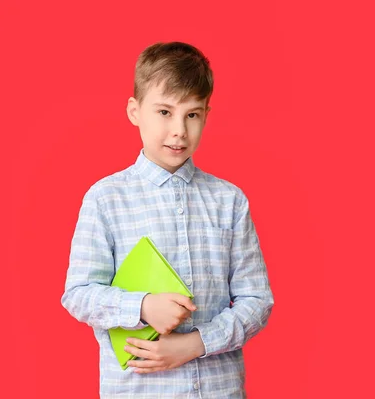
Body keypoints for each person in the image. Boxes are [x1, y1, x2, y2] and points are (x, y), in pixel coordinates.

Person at [61, 41, 274, 398]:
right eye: (164, 112)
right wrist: (141, 306)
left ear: (206, 114)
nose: (179, 130)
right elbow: (78, 294)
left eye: (192, 114)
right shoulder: (105, 198)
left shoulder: (230, 200)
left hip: (218, 390)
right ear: (134, 111)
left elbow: (257, 300)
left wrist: (195, 344)